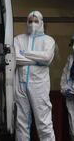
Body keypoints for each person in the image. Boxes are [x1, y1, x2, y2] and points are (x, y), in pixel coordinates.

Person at [14, 11, 56, 141]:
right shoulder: (18, 39)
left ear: (41, 23)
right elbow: (16, 58)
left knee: (43, 123)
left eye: (36, 21)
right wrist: (38, 60)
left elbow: (47, 57)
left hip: (39, 85)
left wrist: (25, 53)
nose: (32, 24)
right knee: (21, 123)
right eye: (30, 21)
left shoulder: (48, 40)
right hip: (20, 85)